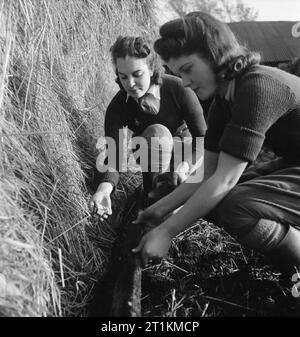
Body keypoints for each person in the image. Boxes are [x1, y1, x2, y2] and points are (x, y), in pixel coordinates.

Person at [132, 12, 300, 275]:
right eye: (177, 74)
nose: (185, 82)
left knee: (236, 204)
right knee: (215, 202)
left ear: (214, 53)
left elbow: (223, 180)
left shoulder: (259, 86)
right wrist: (156, 212)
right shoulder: (225, 100)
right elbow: (206, 174)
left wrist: (166, 232)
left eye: (187, 69)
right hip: (294, 161)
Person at [89, 35, 207, 220]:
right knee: (157, 134)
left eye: (137, 74)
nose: (130, 84)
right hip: (151, 150)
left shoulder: (178, 89)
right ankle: (153, 199)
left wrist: (185, 166)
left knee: (181, 205)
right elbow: (115, 155)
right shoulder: (118, 106)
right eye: (123, 77)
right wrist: (104, 189)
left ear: (152, 69)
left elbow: (203, 137)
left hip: (186, 152)